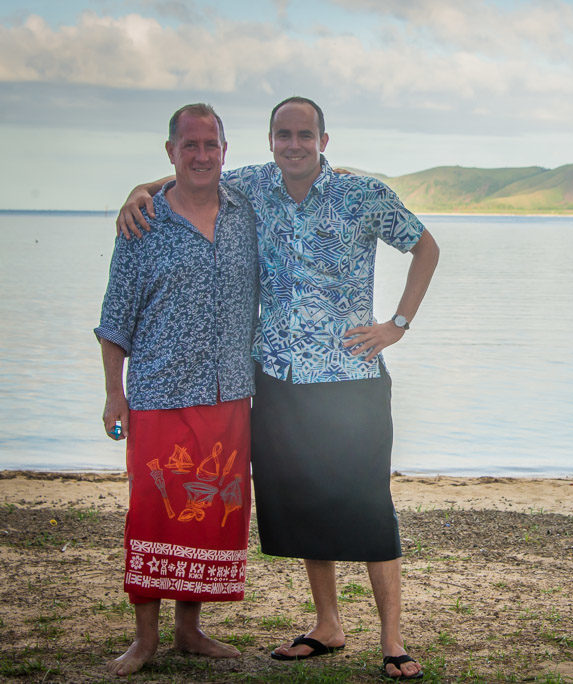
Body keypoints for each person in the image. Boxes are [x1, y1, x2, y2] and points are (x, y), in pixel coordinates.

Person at [118, 96, 440, 680]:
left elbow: (425, 246)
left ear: (323, 139)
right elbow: (194, 169)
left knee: (369, 507)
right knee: (308, 504)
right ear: (269, 141)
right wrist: (140, 190)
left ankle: (393, 640)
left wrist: (397, 324)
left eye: (304, 135)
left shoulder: (361, 196)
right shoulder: (252, 188)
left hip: (351, 377)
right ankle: (328, 625)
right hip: (278, 378)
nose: (294, 144)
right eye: (283, 134)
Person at [97, 103, 259, 676]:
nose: (200, 155)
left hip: (229, 393)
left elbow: (301, 167)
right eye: (189, 145)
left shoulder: (246, 209)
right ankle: (143, 641)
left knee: (210, 511)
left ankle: (191, 631)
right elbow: (115, 320)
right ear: (170, 151)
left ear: (224, 150)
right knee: (152, 511)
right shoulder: (143, 225)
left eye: (210, 144)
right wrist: (115, 395)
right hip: (160, 394)